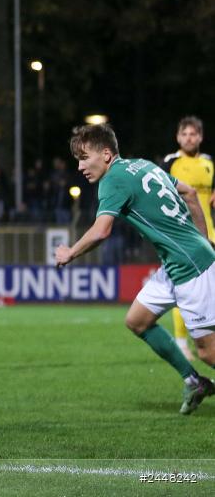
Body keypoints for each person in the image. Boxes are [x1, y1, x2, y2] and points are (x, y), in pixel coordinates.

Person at [55, 123, 215, 414]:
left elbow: (101, 231)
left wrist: (70, 252)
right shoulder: (141, 165)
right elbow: (190, 193)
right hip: (180, 262)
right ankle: (193, 381)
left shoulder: (112, 179)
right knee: (137, 320)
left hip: (190, 268)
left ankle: (196, 375)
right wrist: (202, 241)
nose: (79, 166)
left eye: (84, 157)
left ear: (105, 154)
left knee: (207, 351)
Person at [163, 116, 215, 361]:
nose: (189, 138)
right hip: (184, 235)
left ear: (201, 137)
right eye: (184, 134)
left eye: (193, 134)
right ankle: (182, 342)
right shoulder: (170, 163)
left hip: (210, 233)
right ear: (177, 137)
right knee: (183, 288)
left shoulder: (209, 163)